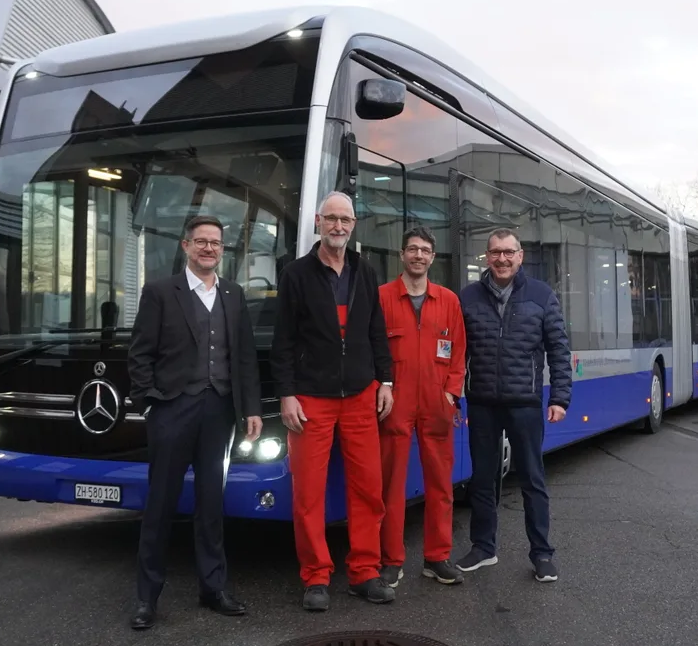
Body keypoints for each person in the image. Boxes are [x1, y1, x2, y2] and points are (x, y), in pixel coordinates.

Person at [126, 214, 264, 630]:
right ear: (186, 246)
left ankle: (212, 587)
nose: (208, 248)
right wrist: (150, 405)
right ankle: (147, 598)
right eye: (201, 241)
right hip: (172, 411)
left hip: (219, 412)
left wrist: (251, 408)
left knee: (210, 505)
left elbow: (244, 358)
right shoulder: (159, 292)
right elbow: (139, 355)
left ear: (222, 250)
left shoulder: (234, 294)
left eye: (215, 243)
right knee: (160, 506)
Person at [271, 191, 396, 611]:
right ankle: (315, 577)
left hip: (361, 394)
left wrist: (387, 381)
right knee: (308, 492)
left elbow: (376, 330)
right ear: (318, 223)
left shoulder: (366, 271)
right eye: (331, 219)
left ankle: (364, 572)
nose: (338, 226)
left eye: (345, 219)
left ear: (354, 225)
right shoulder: (296, 274)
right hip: (310, 398)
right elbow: (283, 340)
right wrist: (286, 393)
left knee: (368, 489)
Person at [454, 228, 571, 583]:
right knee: (482, 479)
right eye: (495, 253)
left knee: (533, 480)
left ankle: (542, 554)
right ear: (486, 257)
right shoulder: (468, 297)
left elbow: (559, 349)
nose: (501, 259)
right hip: (483, 403)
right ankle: (483, 548)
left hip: (526, 404)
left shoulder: (541, 295)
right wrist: (453, 395)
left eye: (508, 252)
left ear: (520, 256)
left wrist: (560, 398)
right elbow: (457, 352)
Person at [377, 225, 467, 588]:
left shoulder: (448, 300)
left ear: (432, 257)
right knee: (391, 485)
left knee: (441, 485)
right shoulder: (381, 297)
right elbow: (371, 351)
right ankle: (390, 560)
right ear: (402, 255)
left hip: (437, 402)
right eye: (412, 249)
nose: (418, 255)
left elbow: (459, 352)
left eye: (425, 250)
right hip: (394, 402)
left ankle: (437, 557)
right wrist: (378, 390)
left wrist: (451, 394)